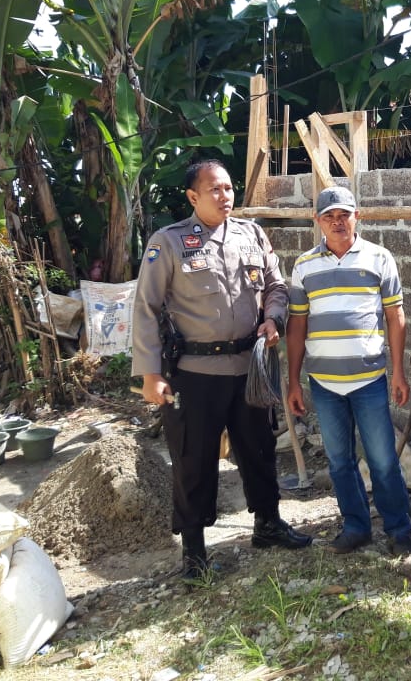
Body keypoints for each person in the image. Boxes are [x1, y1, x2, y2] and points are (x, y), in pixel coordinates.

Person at [132, 159, 312, 581]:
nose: (224, 196)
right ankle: (194, 552)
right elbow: (145, 308)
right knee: (194, 459)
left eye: (229, 188)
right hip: (194, 373)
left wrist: (274, 319)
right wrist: (150, 374)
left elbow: (276, 286)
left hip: (249, 367)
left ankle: (267, 524)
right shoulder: (169, 242)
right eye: (214, 189)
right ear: (193, 196)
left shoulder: (252, 235)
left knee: (259, 449)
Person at [285, 185, 411, 555]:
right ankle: (356, 527)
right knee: (339, 461)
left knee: (383, 461)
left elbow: (395, 316)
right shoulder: (304, 265)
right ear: (318, 221)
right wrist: (293, 381)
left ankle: (399, 531)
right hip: (324, 383)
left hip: (369, 379)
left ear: (357, 216)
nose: (337, 222)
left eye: (344, 215)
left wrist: (399, 372)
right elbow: (297, 325)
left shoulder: (379, 258)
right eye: (329, 216)